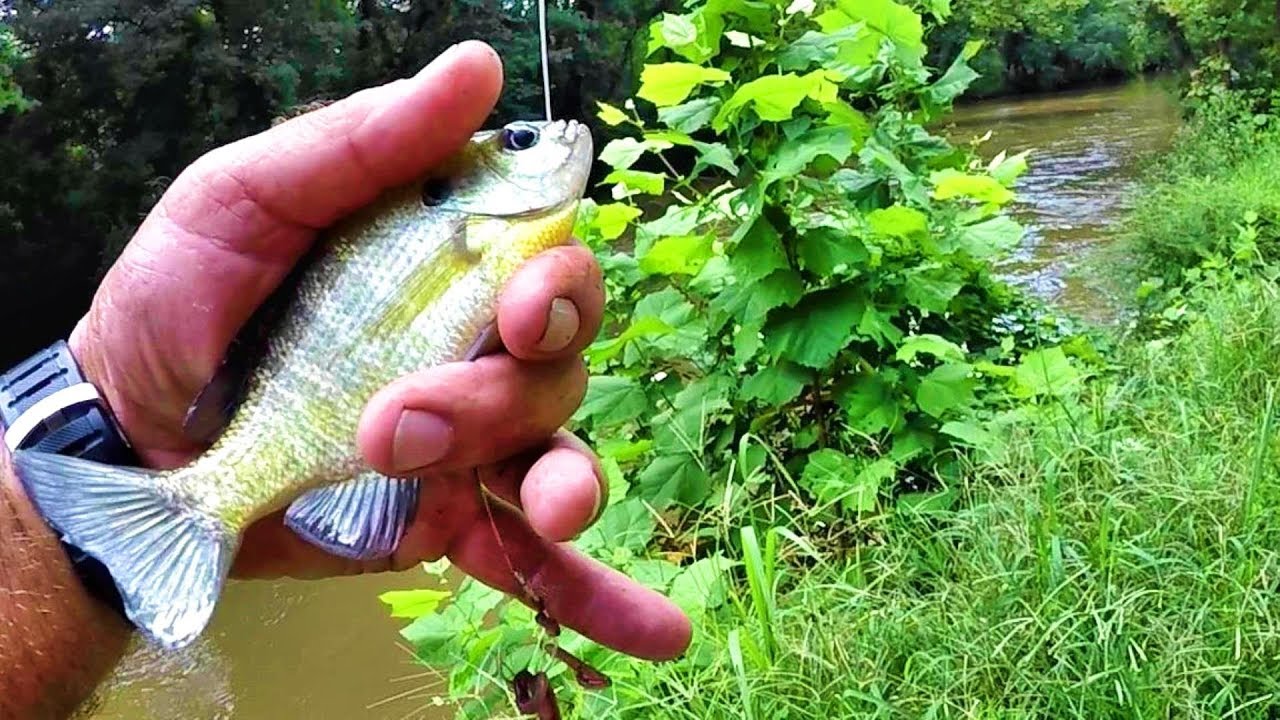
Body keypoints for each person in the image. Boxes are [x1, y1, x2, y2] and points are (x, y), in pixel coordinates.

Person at [0, 41, 691, 719]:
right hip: (271, 430)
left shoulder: (503, 229)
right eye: (518, 141)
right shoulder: (464, 216)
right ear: (472, 177)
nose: (556, 140)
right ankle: (199, 497)